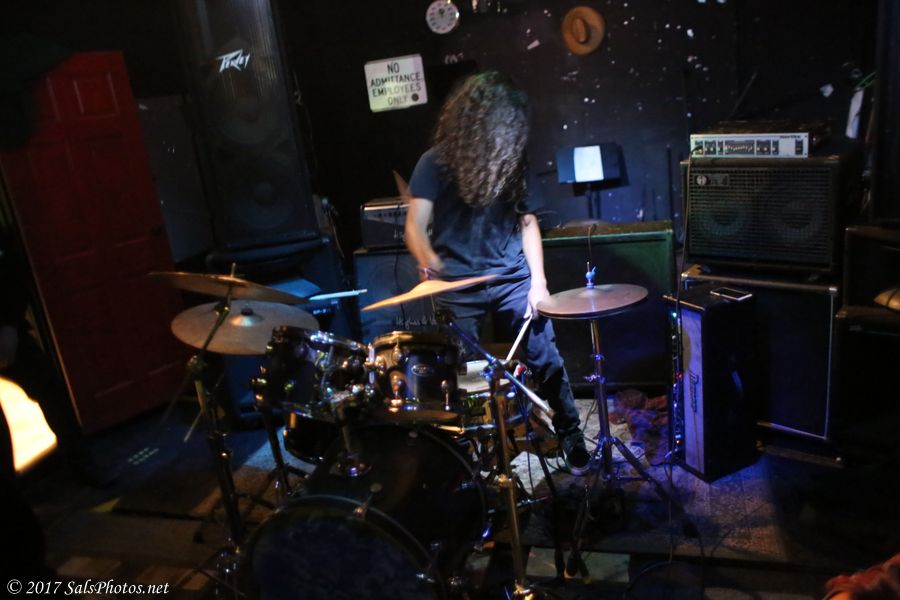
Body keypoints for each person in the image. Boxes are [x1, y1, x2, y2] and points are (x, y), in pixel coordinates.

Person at [404, 71, 590, 474]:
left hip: (512, 278)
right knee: (460, 375)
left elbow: (528, 222)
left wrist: (539, 284)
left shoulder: (510, 161)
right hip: (456, 285)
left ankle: (570, 433)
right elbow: (414, 226)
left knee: (546, 358)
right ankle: (468, 451)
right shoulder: (433, 163)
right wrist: (426, 256)